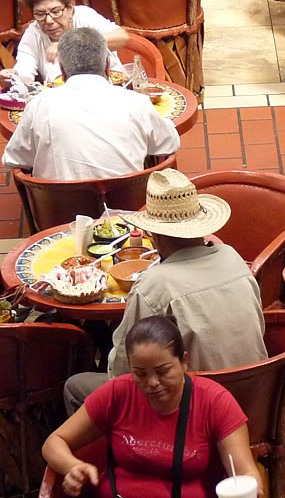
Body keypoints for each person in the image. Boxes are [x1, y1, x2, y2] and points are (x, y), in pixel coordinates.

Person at [64, 168, 267, 410]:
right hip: (256, 395)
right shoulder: (233, 257)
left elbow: (121, 371)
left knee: (75, 386)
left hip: (195, 411)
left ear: (153, 235)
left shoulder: (154, 285)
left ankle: (119, 445)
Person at [44, 315, 271, 498]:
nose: (152, 383)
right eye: (140, 373)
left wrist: (252, 497)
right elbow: (54, 442)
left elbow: (245, 471)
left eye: (163, 371)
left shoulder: (215, 401)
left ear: (184, 362)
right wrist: (72, 466)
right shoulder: (117, 393)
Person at [2, 27, 179, 181]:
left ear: (62, 70)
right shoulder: (137, 103)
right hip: (129, 213)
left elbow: (14, 158)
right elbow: (169, 143)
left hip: (59, 216)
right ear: (108, 66)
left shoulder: (38, 105)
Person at [1, 0, 128, 86]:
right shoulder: (33, 33)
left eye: (56, 11)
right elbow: (24, 74)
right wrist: (13, 79)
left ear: (70, 6)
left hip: (111, 90)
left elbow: (122, 37)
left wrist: (69, 44)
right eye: (40, 14)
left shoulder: (84, 16)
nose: (49, 21)